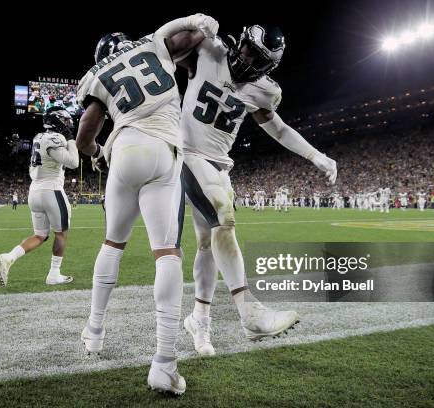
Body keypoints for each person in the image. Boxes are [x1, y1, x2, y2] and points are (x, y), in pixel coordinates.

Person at [75, 14, 218, 395]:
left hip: (123, 147)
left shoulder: (98, 72)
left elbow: (86, 131)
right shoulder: (152, 44)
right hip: (164, 148)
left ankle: (93, 332)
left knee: (112, 244)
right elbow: (191, 36)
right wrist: (200, 25)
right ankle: (164, 364)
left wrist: (95, 152)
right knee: (167, 253)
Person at [176, 24, 336, 356]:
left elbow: (277, 127)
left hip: (220, 166)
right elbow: (167, 50)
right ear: (242, 41)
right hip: (189, 155)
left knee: (208, 245)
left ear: (268, 66)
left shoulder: (263, 91)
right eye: (248, 49)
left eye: (257, 58)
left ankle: (199, 319)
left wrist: (315, 155)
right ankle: (249, 312)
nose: (247, 58)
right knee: (224, 219)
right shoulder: (209, 51)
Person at [0, 107, 79, 286]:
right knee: (61, 234)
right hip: (52, 190)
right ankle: (54, 274)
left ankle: (8, 257)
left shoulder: (38, 137)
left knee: (40, 235)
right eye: (65, 120)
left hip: (34, 191)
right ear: (58, 121)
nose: (68, 124)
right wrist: (70, 139)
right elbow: (73, 162)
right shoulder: (56, 138)